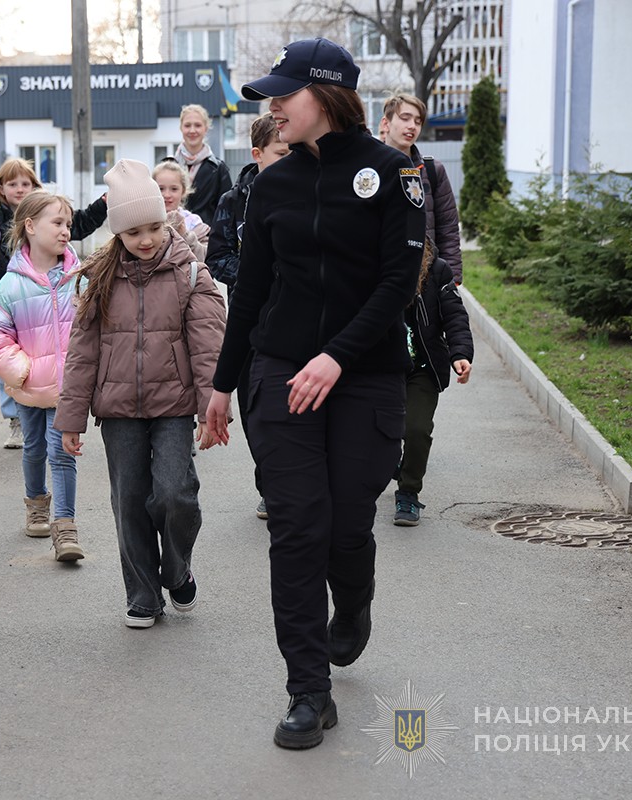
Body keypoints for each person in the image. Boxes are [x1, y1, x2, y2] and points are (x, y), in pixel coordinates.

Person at [204, 38, 425, 750]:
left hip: (364, 377)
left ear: (326, 95)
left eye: (284, 93)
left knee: (344, 525)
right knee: (298, 527)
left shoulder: (396, 176)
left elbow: (398, 284)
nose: (272, 105)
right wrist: (222, 382)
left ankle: (353, 603)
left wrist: (336, 356)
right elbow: (253, 291)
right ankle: (308, 691)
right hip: (280, 374)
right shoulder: (271, 183)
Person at [55, 159, 226, 629]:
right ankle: (143, 595)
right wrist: (70, 419)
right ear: (118, 234)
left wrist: (213, 409)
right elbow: (82, 353)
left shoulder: (190, 274)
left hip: (173, 406)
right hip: (119, 411)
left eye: (153, 228)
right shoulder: (101, 278)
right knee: (129, 500)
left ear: (166, 220)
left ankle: (176, 569)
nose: (146, 240)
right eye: (133, 233)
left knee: (175, 495)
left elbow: (210, 344)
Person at [0, 157, 109, 448]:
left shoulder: (50, 216)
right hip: (10, 299)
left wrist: (103, 202)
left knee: (48, 354)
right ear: (0, 189)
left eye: (25, 183)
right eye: (12, 183)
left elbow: (81, 223)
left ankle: (54, 410)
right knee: (10, 362)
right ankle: (16, 421)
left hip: (48, 298)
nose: (19, 188)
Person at [0, 191, 85, 561]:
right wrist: (18, 370)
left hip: (66, 388)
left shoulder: (78, 278)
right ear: (30, 226)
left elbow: (93, 328)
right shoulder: (11, 284)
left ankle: (66, 528)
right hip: (27, 387)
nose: (65, 231)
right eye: (57, 223)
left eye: (68, 225)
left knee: (62, 453)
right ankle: (36, 504)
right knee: (34, 448)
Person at [205, 112, 292, 520]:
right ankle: (269, 481)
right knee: (255, 409)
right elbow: (217, 257)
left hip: (294, 322)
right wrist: (257, 275)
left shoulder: (305, 191)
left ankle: (289, 482)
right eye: (280, 152)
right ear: (257, 154)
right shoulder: (233, 201)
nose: (289, 158)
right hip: (248, 322)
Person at [393, 239, 474, 525]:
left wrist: (460, 353)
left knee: (416, 429)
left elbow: (454, 316)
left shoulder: (437, 270)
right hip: (381, 368)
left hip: (422, 368)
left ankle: (408, 494)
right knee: (381, 433)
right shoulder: (373, 265)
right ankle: (394, 463)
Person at [381, 94, 464, 285]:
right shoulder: (369, 170)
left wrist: (451, 281)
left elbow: (448, 229)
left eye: (418, 122)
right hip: (379, 278)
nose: (412, 126)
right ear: (386, 124)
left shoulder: (432, 170)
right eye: (405, 118)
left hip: (425, 280)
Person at [173, 104, 232, 228]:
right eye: (187, 125)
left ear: (206, 128)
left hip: (206, 238)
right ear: (181, 128)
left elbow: (227, 211)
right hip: (174, 236)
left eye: (198, 125)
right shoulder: (169, 166)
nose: (192, 130)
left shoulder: (219, 169)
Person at [152, 158, 210, 261]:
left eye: (174, 189)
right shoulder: (146, 220)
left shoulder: (193, 222)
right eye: (161, 189)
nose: (167, 195)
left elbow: (205, 257)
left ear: (183, 191)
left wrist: (185, 235)